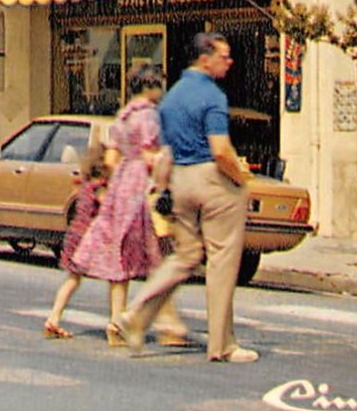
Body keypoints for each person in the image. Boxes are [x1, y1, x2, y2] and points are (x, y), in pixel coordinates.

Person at [116, 32, 257, 363]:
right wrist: (241, 180)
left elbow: (165, 150)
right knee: (222, 261)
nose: (229, 61)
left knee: (185, 256)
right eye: (224, 55)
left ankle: (135, 312)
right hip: (212, 179)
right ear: (205, 59)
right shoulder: (212, 96)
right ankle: (222, 344)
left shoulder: (172, 98)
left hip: (180, 180)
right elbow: (221, 150)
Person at [64, 64, 190, 348]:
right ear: (150, 87)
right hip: (142, 190)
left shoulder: (122, 118)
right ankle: (168, 326)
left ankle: (115, 321)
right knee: (158, 257)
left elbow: (110, 160)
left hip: (119, 190)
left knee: (119, 260)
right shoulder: (149, 117)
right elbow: (150, 157)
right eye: (160, 85)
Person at [43, 130, 109, 339]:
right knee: (114, 278)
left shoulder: (85, 186)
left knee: (72, 279)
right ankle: (119, 319)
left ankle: (54, 317)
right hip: (86, 240)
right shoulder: (100, 188)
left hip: (75, 236)